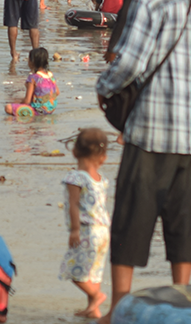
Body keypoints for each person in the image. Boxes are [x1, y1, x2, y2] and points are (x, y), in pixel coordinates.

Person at [94, 0, 191, 324]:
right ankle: (181, 302)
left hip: (149, 130)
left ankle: (119, 307)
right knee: (182, 226)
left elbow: (129, 62)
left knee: (129, 221)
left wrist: (103, 88)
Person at [61, 128, 111, 320]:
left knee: (73, 271)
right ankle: (93, 309)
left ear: (74, 152)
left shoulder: (75, 177)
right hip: (103, 231)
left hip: (86, 231)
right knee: (95, 271)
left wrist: (74, 230)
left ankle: (96, 296)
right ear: (103, 157)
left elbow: (73, 205)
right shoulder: (101, 179)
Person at [6, 47, 59, 117]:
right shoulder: (50, 75)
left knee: (8, 107)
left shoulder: (33, 78)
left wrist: (17, 101)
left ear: (32, 62)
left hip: (38, 110)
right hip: (51, 109)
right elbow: (57, 92)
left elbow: (27, 101)